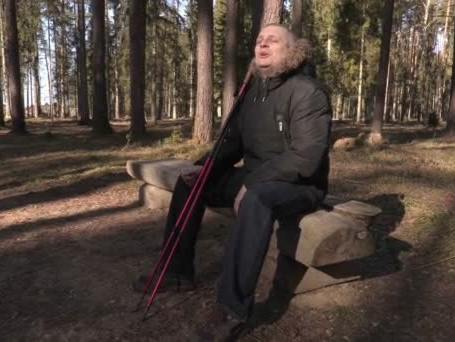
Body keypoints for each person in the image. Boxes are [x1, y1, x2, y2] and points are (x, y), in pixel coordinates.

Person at [133, 24, 332, 340]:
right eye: (259, 40)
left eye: (273, 40)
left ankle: (232, 307)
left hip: (300, 185)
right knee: (191, 184)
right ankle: (176, 273)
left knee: (257, 199)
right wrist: (204, 169)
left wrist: (251, 183)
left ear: (293, 51)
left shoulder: (308, 92)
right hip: (257, 178)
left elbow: (306, 158)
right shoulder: (253, 93)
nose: (262, 44)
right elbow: (232, 144)